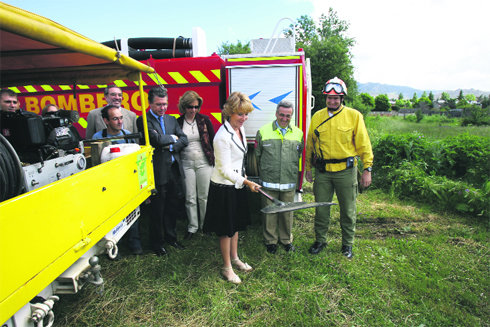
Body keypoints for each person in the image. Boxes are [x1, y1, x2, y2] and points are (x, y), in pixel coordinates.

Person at [305, 77, 373, 259]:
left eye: (336, 98)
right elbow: (310, 144)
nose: (332, 101)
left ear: (342, 98)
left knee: (348, 210)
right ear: (325, 98)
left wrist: (367, 169)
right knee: (321, 209)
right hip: (323, 172)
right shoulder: (317, 116)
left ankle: (347, 245)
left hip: (346, 171)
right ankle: (320, 240)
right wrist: (308, 168)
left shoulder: (354, 116)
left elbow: (364, 144)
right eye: (329, 98)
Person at [203, 91, 261, 284]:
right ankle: (227, 267)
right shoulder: (222, 136)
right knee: (226, 229)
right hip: (223, 187)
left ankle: (235, 258)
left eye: (246, 114)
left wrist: (243, 175)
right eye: (240, 114)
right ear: (229, 113)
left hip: (236, 183)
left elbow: (239, 159)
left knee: (235, 224)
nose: (244, 118)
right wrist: (247, 182)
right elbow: (224, 169)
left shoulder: (240, 129)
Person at [137, 86, 188, 256]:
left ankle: (171, 238)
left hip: (173, 170)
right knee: (158, 210)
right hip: (157, 172)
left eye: (165, 104)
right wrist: (171, 138)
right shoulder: (143, 120)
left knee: (172, 207)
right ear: (150, 103)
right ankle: (157, 244)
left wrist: (171, 144)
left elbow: (184, 139)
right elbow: (155, 140)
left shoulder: (171, 120)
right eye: (159, 105)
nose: (162, 108)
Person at [255, 100, 304, 254]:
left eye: (288, 115)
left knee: (287, 213)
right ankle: (270, 241)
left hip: (288, 182)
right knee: (270, 212)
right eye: (281, 115)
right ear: (276, 113)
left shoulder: (298, 133)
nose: (284, 118)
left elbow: (299, 154)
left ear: (292, 116)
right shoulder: (263, 131)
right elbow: (257, 156)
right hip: (269, 182)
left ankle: (286, 240)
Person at [92, 104, 142, 255]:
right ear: (106, 121)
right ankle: (115, 246)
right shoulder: (97, 138)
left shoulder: (128, 135)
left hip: (127, 182)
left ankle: (135, 243)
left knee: (132, 213)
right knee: (112, 218)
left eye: (121, 118)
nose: (120, 122)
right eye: (115, 119)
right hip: (108, 185)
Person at [176, 91, 215, 240]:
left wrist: (214, 160)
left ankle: (206, 225)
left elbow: (212, 140)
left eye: (196, 107)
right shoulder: (178, 122)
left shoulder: (205, 120)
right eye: (190, 107)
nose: (193, 110)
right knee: (190, 197)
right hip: (186, 163)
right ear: (184, 107)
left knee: (204, 196)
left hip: (204, 162)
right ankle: (192, 226)